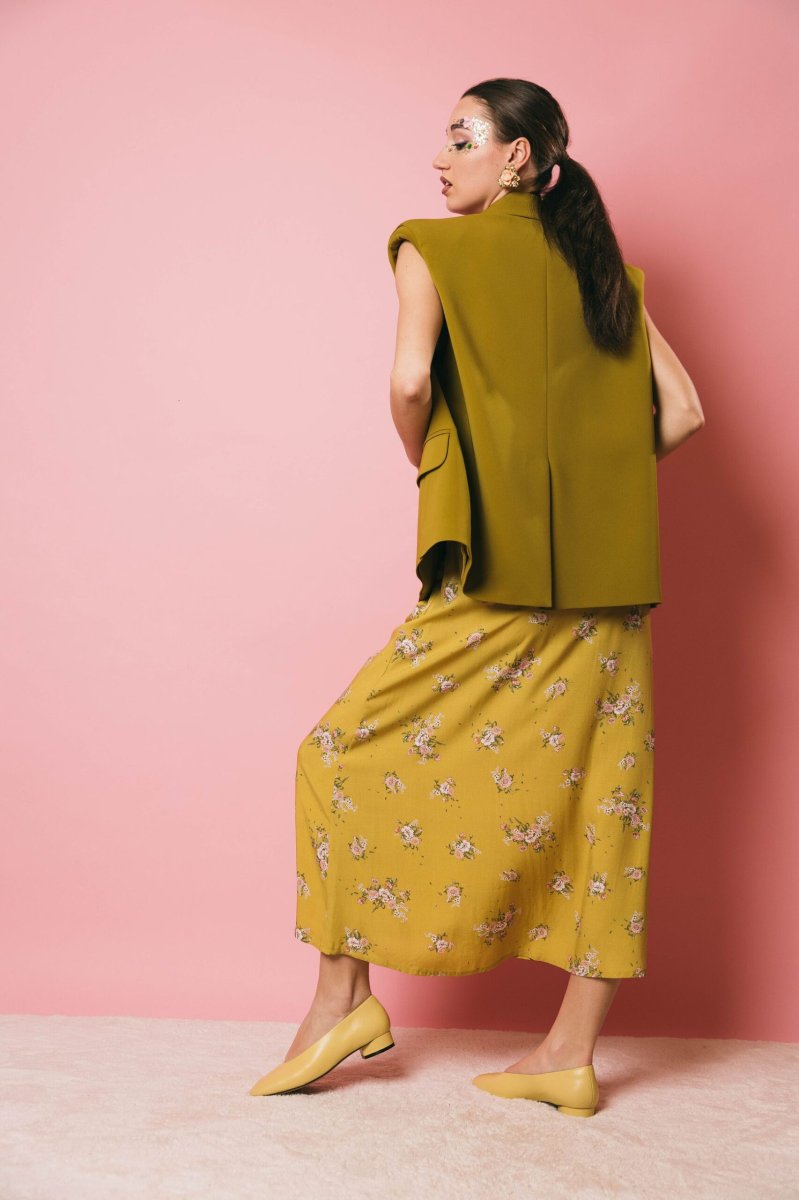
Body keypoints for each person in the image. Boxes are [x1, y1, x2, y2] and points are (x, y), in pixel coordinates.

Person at [249, 77, 705, 1115]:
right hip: (608, 593)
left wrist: (440, 470)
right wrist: (593, 491)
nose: (439, 158)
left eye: (461, 137)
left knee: (336, 753)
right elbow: (681, 412)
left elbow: (412, 384)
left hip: (494, 573)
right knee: (602, 801)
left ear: (517, 157)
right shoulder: (608, 275)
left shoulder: (429, 247)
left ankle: (341, 1002)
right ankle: (569, 1056)